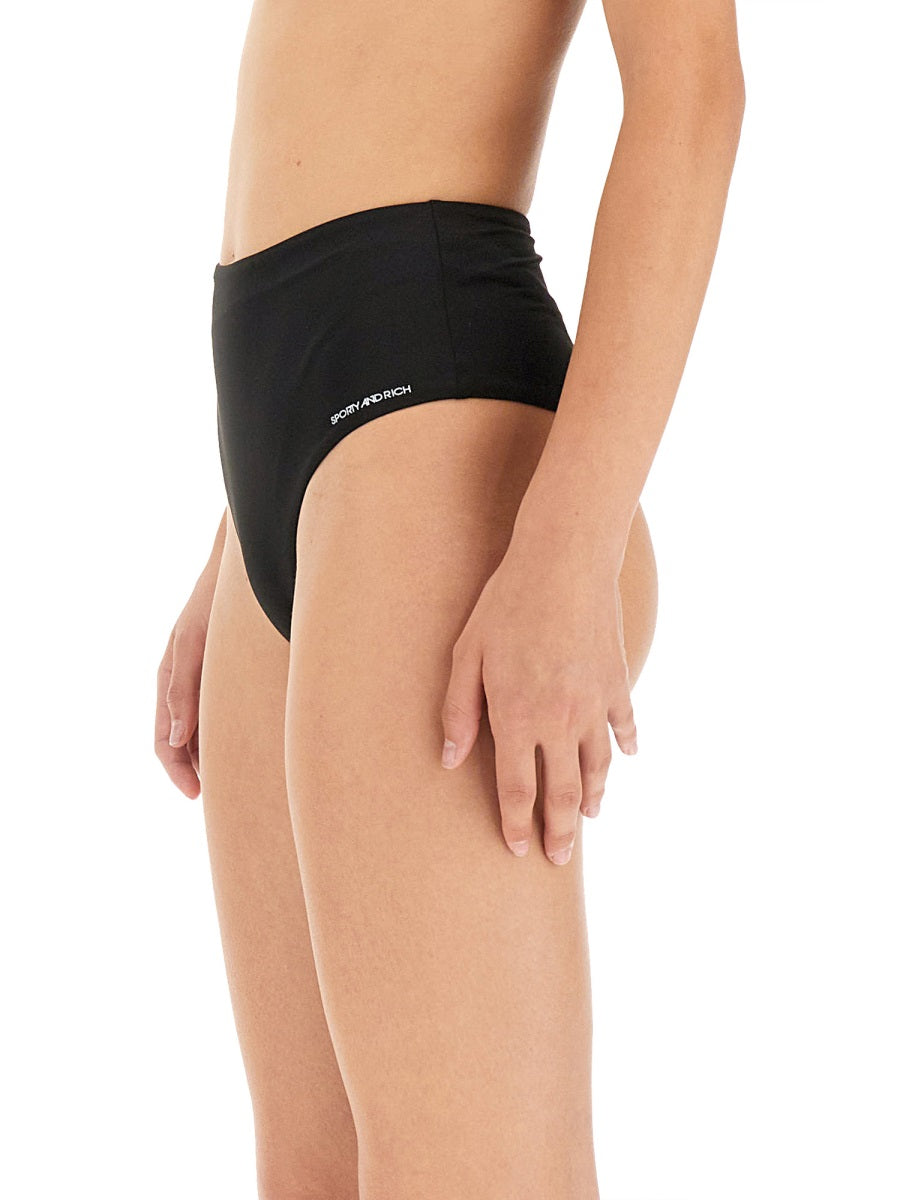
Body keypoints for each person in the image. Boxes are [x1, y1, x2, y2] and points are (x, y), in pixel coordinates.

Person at [155, 0, 744, 1195]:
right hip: (302, 449)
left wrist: (568, 557)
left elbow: (694, 94)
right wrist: (240, 540)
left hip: (433, 429)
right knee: (313, 1174)